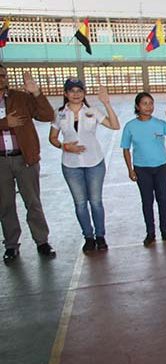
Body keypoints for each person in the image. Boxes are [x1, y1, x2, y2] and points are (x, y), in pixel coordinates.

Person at [48, 78, 120, 253]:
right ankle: (88, 237)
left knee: (95, 202)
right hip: (71, 165)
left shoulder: (92, 111)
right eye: (71, 91)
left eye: (79, 91)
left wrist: (107, 103)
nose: (76, 94)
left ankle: (100, 236)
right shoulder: (59, 114)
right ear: (65, 94)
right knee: (80, 203)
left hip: (94, 162)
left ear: (84, 93)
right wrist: (65, 147)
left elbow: (114, 125)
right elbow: (53, 138)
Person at [0, 67, 57, 263]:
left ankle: (42, 241)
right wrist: (4, 123)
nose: (2, 79)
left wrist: (36, 93)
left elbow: (48, 115)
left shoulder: (20, 98)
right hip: (1, 162)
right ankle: (11, 245)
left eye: (4, 76)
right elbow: (5, 123)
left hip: (24, 159)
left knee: (33, 201)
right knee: (5, 204)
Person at [120, 93, 166, 246]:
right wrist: (130, 169)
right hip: (142, 169)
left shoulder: (160, 124)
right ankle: (150, 232)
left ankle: (165, 231)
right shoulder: (130, 126)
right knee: (147, 201)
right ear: (137, 106)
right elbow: (126, 149)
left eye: (151, 103)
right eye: (144, 103)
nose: (148, 107)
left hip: (161, 168)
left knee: (162, 200)